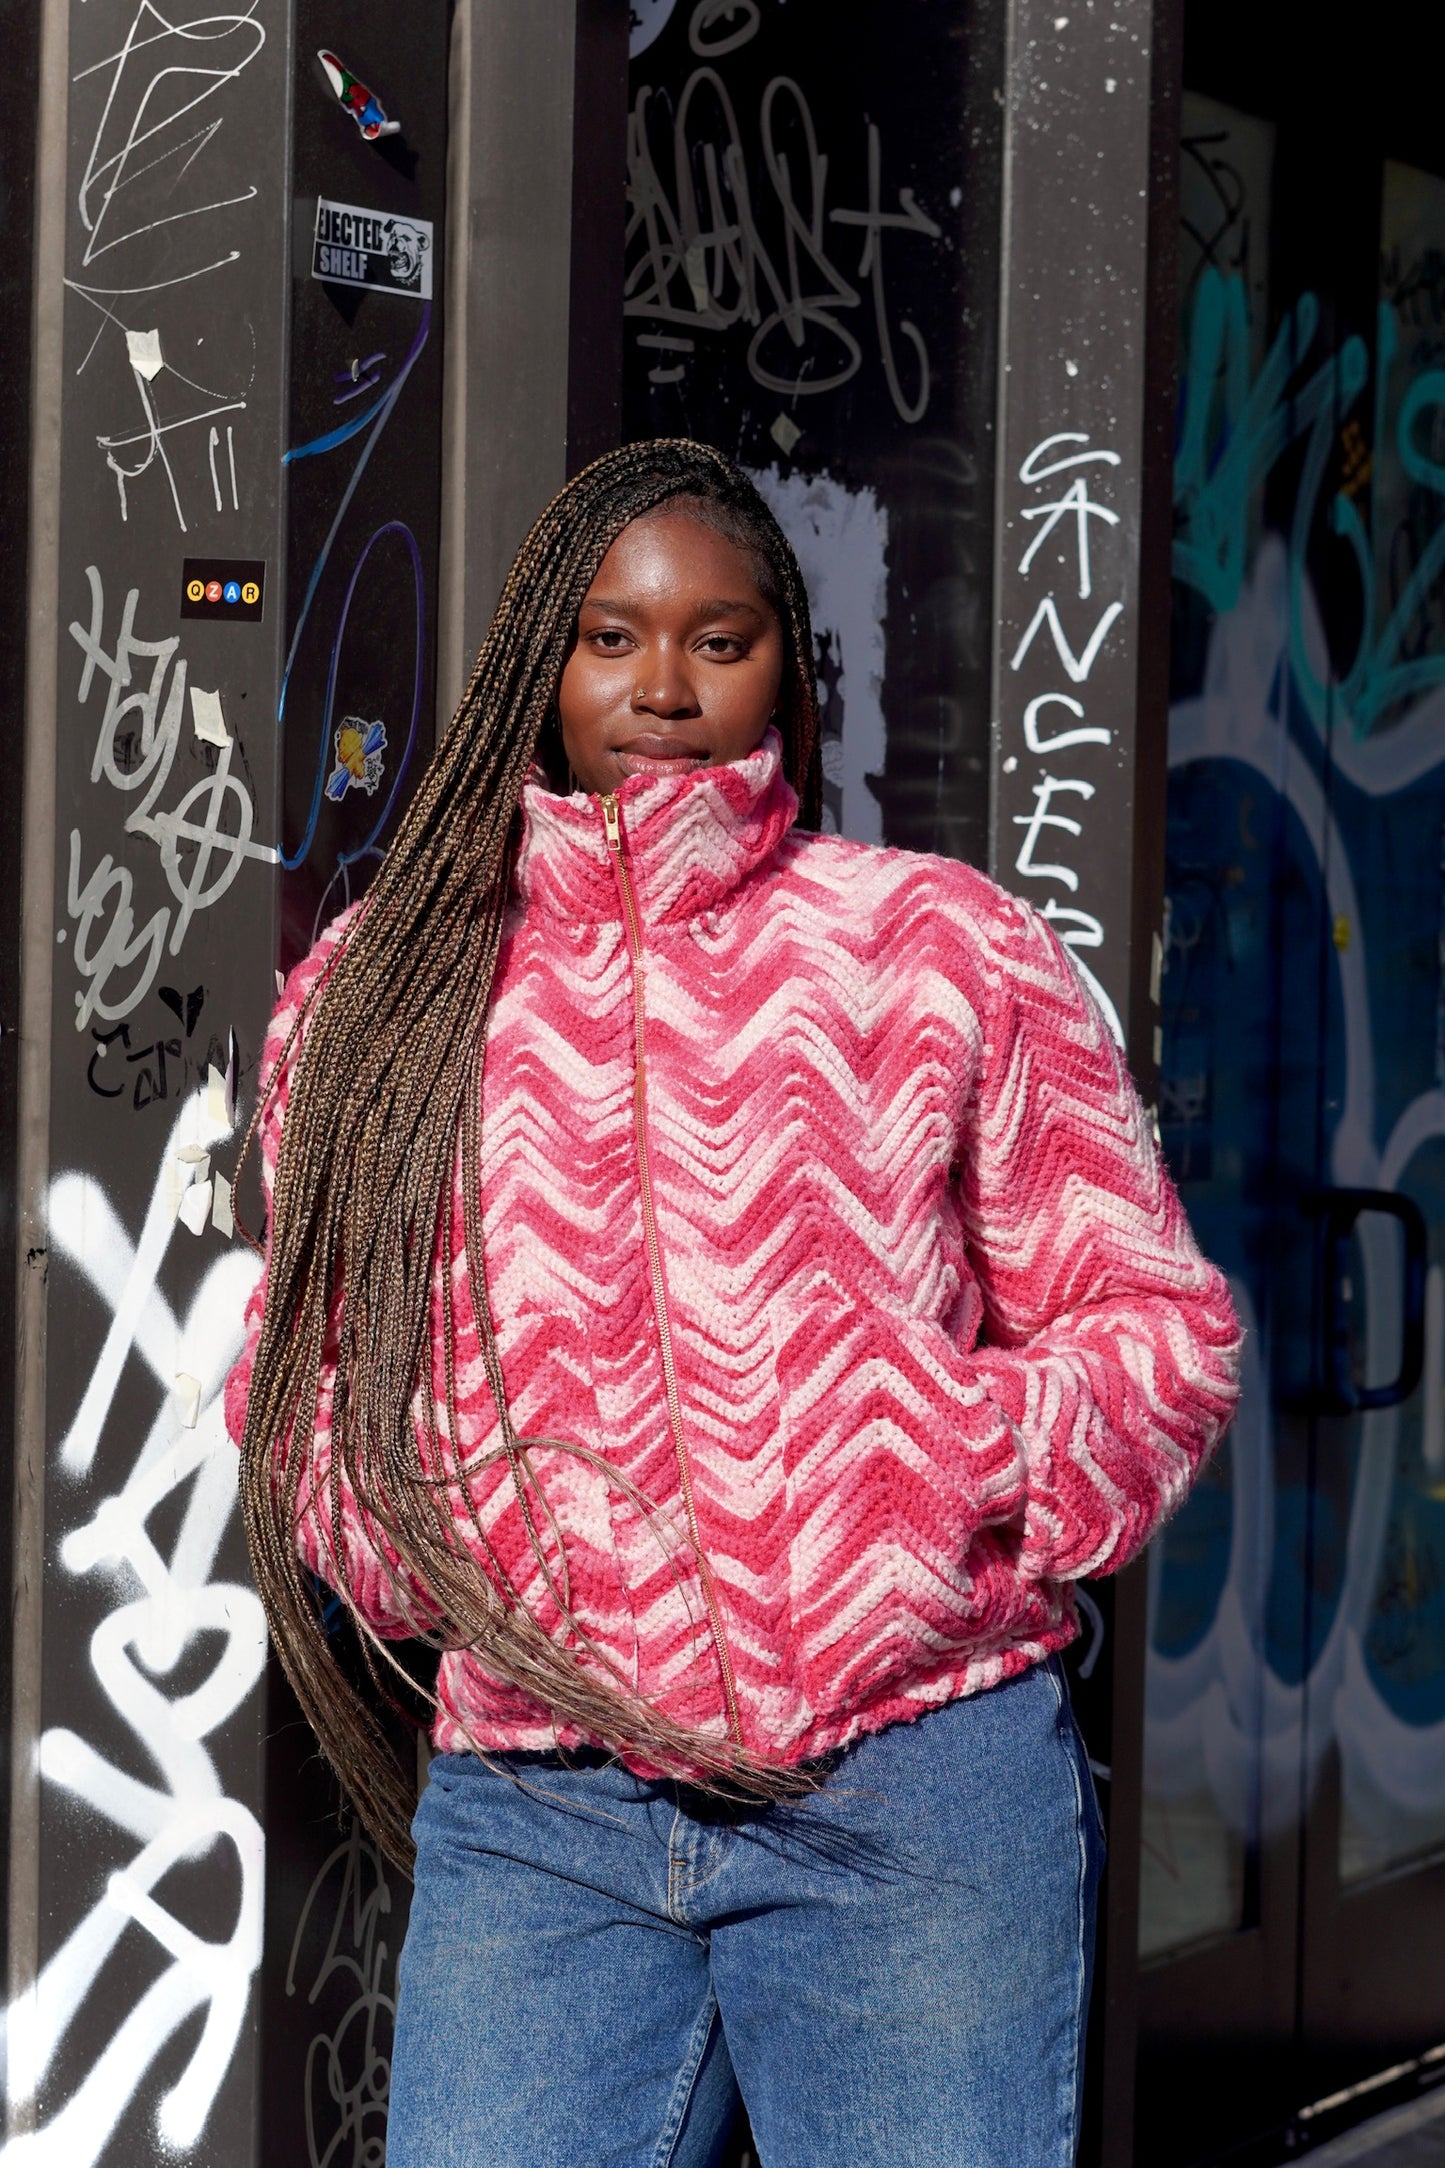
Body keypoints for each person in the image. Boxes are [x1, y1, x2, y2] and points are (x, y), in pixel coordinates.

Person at [227, 438, 1240, 2166]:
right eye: (612, 639)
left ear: (787, 665)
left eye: (721, 636)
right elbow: (300, 1375)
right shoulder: (385, 993)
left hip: (911, 1795)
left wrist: (934, 1466)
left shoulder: (934, 946)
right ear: (538, 667)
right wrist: (431, 1547)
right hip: (541, 1810)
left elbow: (1151, 1330)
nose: (665, 686)